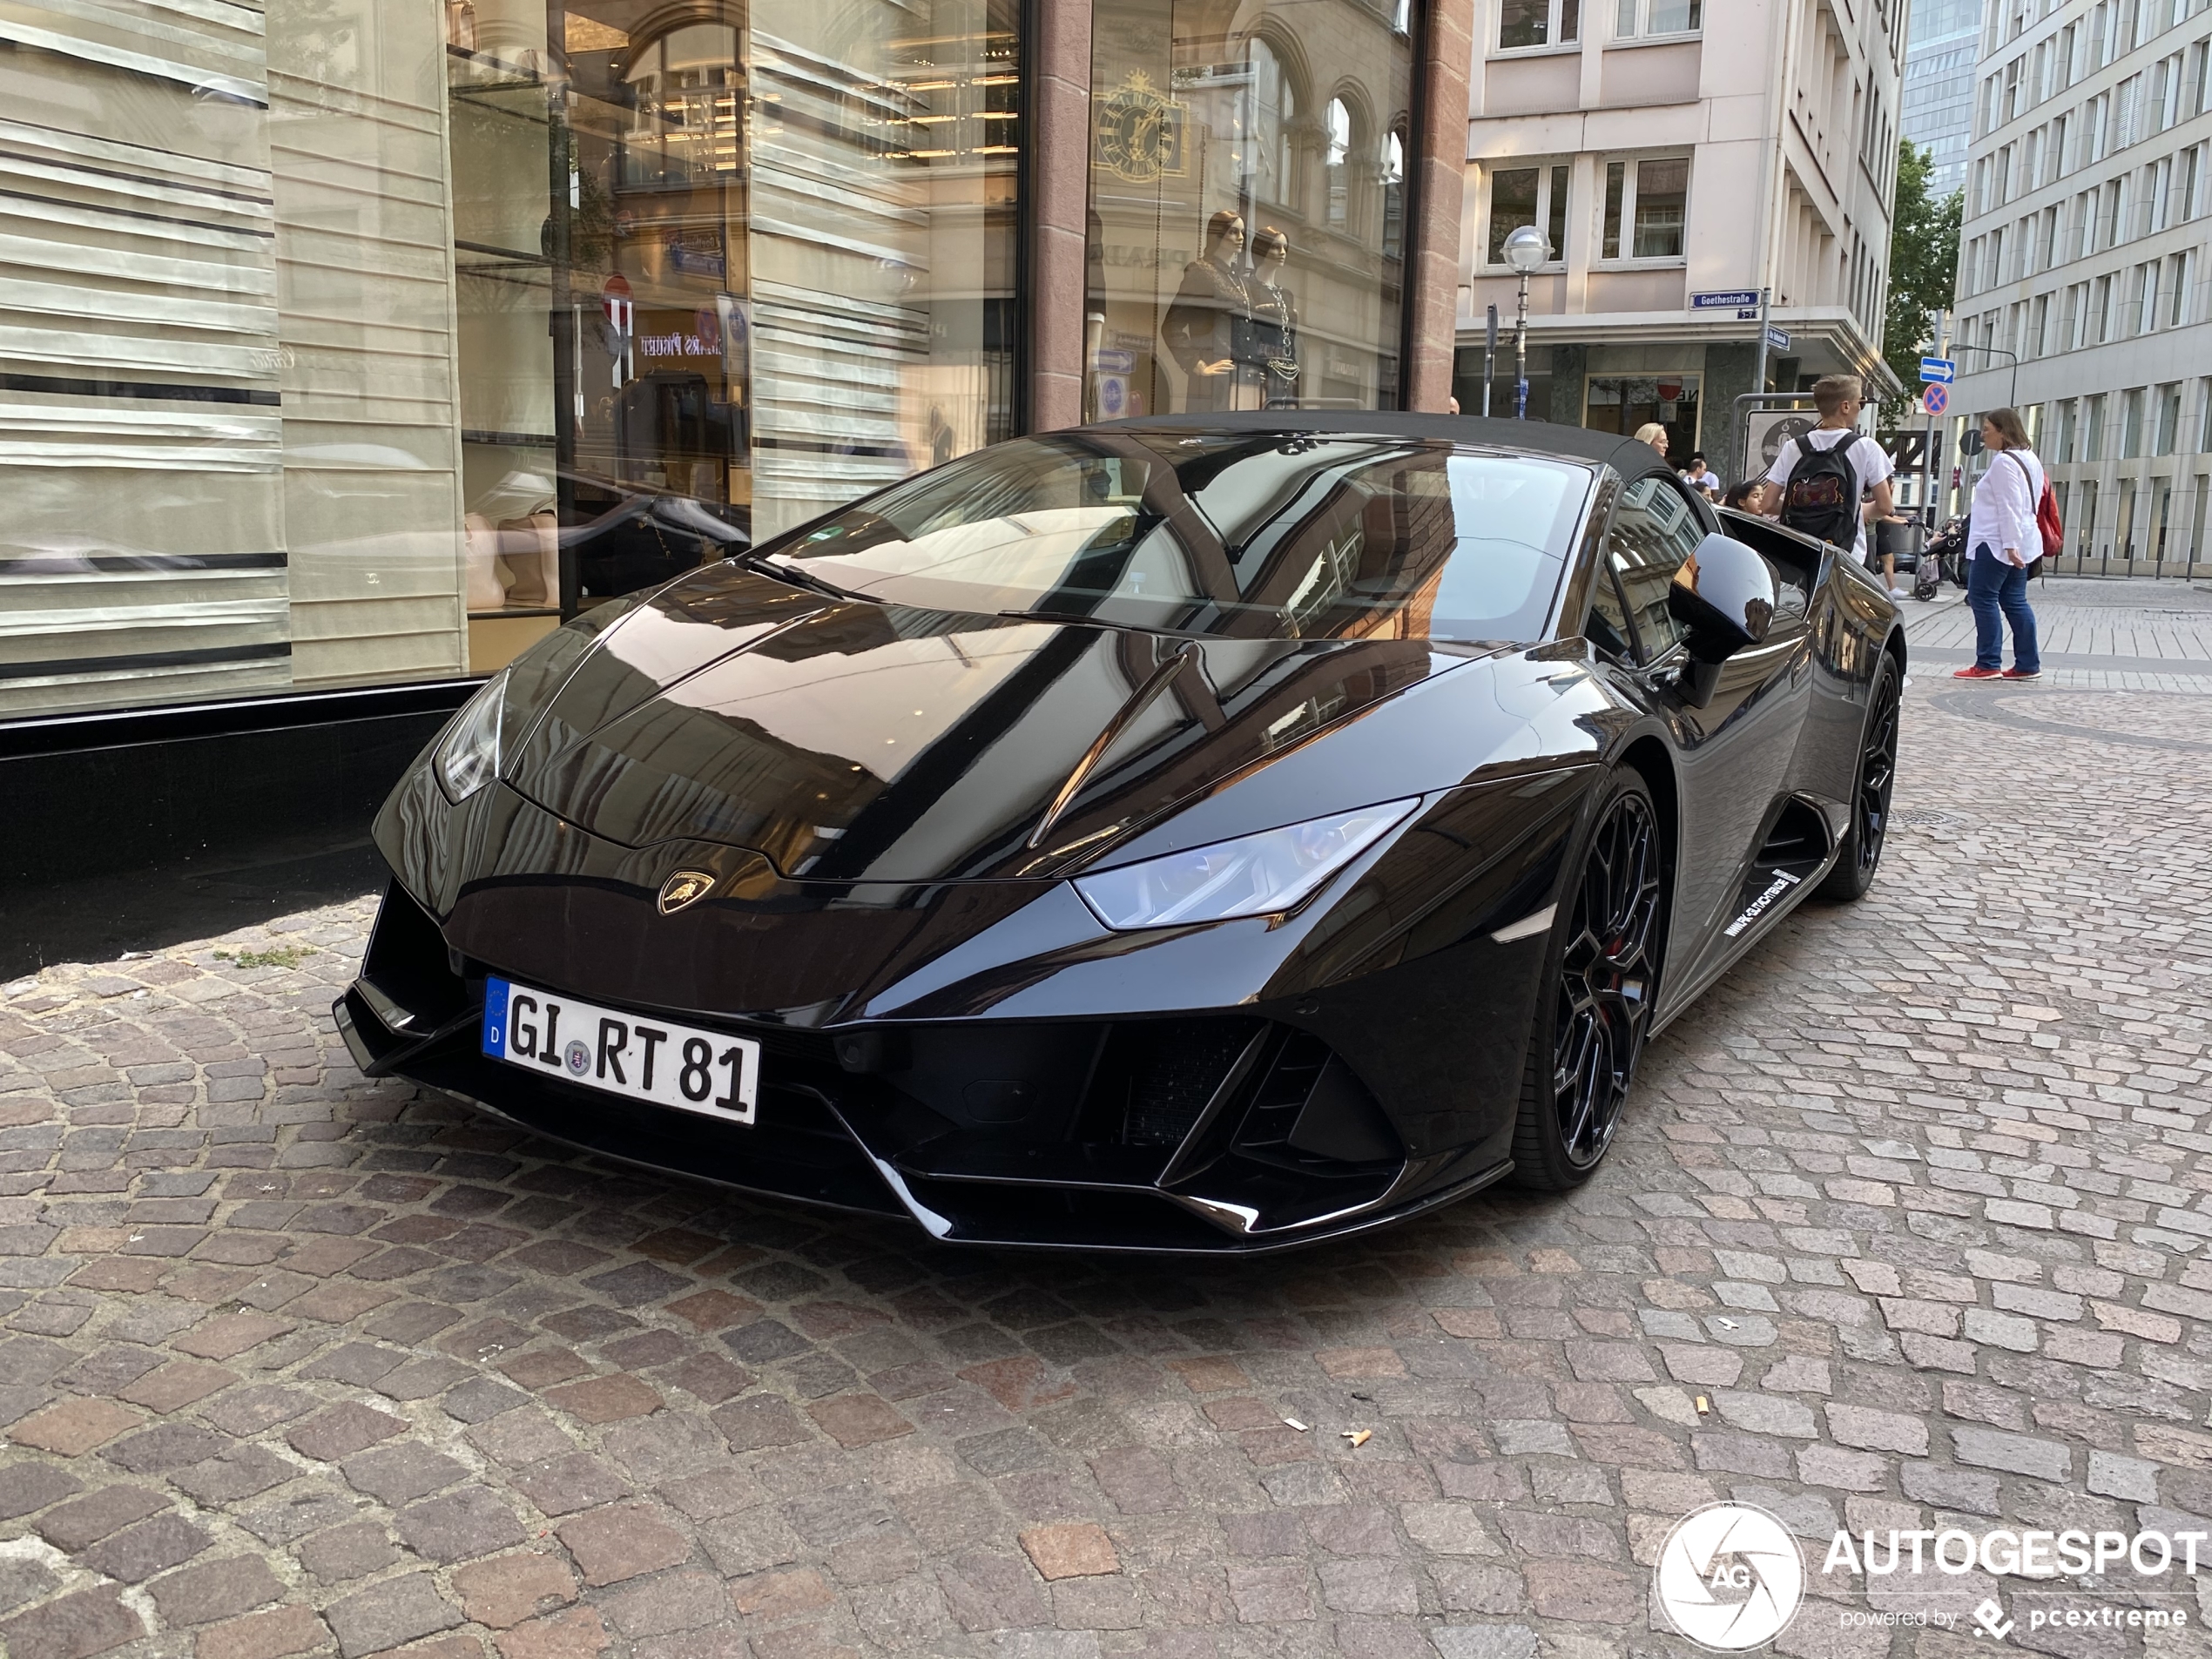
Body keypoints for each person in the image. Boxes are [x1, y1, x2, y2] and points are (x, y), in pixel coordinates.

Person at [1753, 374, 1905, 597]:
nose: (1860, 407)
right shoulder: (1865, 446)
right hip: (1846, 554)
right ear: (1845, 406)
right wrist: (1853, 507)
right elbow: (1884, 506)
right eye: (1860, 402)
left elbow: (1767, 504)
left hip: (1800, 551)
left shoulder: (1793, 446)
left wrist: (1808, 505)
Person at [1952, 407, 2044, 682]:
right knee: (2014, 600)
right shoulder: (2030, 458)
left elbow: (2009, 505)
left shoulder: (2004, 462)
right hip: (2023, 539)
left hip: (1997, 541)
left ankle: (1988, 663)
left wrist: (2009, 544)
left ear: (2003, 432)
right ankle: (2028, 663)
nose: (1982, 436)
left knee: (1982, 597)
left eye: (1987, 429)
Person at [1162, 211, 1259, 412]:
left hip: (1243, 378)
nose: (1240, 238)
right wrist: (1197, 364)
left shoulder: (1239, 279)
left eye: (1242, 233)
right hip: (1215, 379)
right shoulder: (1201, 272)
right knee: (1212, 435)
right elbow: (1171, 326)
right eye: (1233, 232)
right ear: (1217, 235)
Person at [1243, 226, 1302, 408]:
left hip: (1285, 371)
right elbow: (1245, 329)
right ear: (1262, 248)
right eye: (1276, 247)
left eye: (1284, 248)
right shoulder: (1247, 286)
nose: (1282, 252)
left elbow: (1290, 340)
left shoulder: (1286, 294)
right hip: (1258, 368)